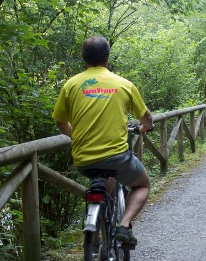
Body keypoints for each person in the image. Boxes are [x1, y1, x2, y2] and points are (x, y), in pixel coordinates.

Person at [52, 35, 154, 246]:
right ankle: (124, 226)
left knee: (105, 175)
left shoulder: (71, 85)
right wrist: (146, 127)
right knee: (143, 184)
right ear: (108, 57)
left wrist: (77, 136)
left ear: (83, 58)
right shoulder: (123, 85)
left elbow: (60, 121)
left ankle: (97, 230)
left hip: (83, 160)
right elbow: (147, 117)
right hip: (117, 158)